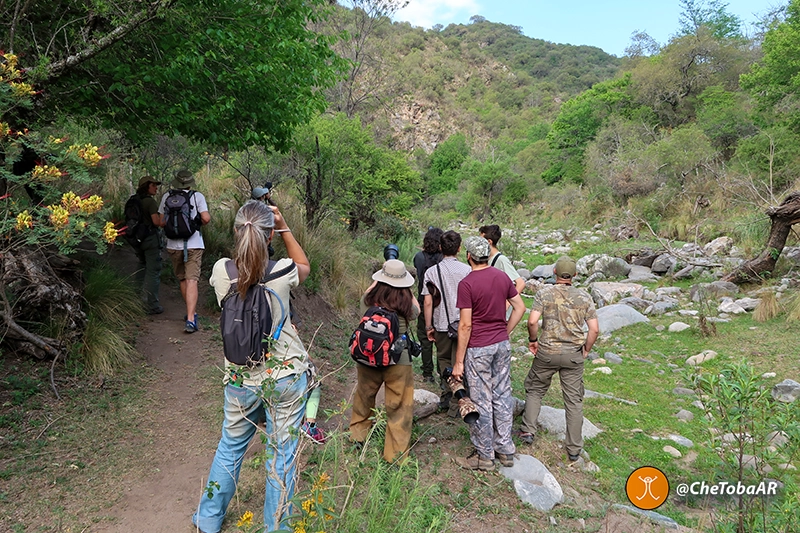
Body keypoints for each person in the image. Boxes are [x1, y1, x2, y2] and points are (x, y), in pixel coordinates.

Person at [193, 200, 312, 533]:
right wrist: (284, 225)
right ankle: (276, 528)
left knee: (230, 445)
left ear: (235, 232)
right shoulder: (283, 271)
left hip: (239, 376)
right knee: (282, 454)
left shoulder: (221, 271)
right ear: (269, 234)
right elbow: (305, 265)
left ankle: (208, 519)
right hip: (285, 375)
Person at [452, 236, 525, 471]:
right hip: (501, 345)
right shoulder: (501, 276)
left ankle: (484, 456)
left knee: (481, 399)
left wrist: (458, 362)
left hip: (478, 348)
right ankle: (505, 450)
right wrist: (505, 330)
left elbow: (465, 325)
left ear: (469, 256)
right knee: (502, 395)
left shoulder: (467, 283)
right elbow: (520, 307)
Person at [520, 256, 599, 462]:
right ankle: (573, 448)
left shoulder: (544, 293)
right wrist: (586, 349)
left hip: (547, 352)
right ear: (574, 275)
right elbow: (594, 329)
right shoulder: (584, 297)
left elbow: (532, 321)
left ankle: (528, 431)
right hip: (573, 355)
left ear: (554, 272)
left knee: (535, 389)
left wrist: (533, 340)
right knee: (573, 401)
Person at [350, 259, 419, 463]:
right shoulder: (407, 304)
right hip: (399, 360)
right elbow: (417, 311)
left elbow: (364, 298)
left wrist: (378, 281)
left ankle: (357, 436)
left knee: (363, 396)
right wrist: (408, 288)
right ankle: (395, 455)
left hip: (368, 356)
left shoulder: (369, 300)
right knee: (399, 407)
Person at [421, 230, 470, 415]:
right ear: (459, 248)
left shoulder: (432, 272)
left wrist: (428, 326)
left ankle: (448, 395)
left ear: (441, 248)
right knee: (461, 360)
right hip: (463, 324)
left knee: (443, 360)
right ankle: (461, 398)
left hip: (442, 323)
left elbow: (428, 302)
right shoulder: (467, 270)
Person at [159, 169, 211, 333]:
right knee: (192, 280)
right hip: (194, 243)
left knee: (182, 279)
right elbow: (206, 218)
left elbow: (161, 221)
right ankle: (190, 319)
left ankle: (191, 313)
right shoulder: (197, 196)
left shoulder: (166, 196)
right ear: (190, 184)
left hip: (173, 245)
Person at [132, 176, 166, 314]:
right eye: (153, 185)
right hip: (150, 240)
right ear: (146, 186)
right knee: (153, 271)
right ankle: (152, 305)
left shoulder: (133, 200)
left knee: (141, 266)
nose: (156, 188)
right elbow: (157, 222)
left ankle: (133, 299)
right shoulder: (149, 202)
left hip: (136, 239)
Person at [413, 227, 443, 382]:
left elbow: (419, 275)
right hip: (441, 303)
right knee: (441, 339)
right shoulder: (443, 259)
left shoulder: (419, 257)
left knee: (425, 339)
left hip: (423, 299)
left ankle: (427, 373)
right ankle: (441, 370)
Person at [479, 224, 525, 295]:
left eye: (480, 241)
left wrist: (507, 303)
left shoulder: (501, 259)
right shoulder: (486, 259)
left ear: (489, 242)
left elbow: (520, 283)